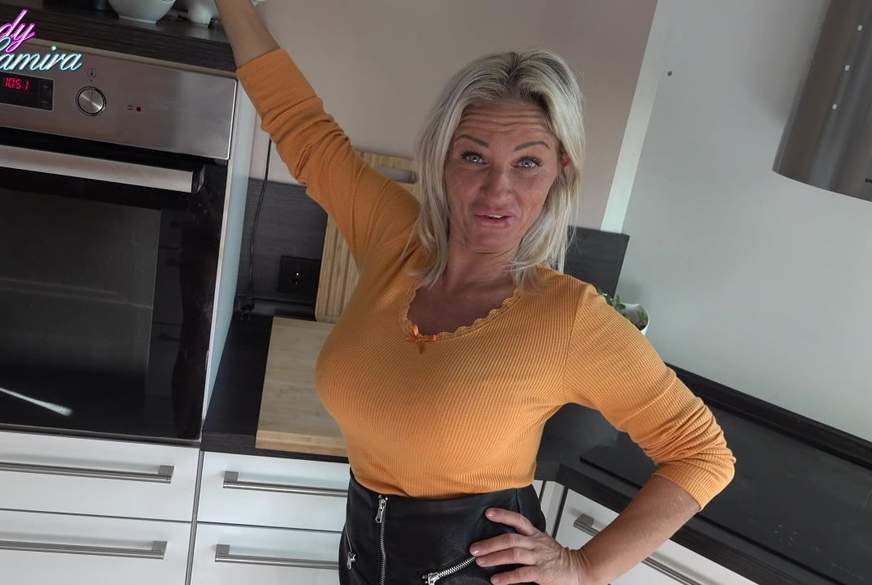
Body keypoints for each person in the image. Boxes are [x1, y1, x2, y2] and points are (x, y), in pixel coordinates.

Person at [216, 2, 736, 584]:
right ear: (442, 159)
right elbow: (301, 127)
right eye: (473, 156)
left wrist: (586, 568)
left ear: (560, 171)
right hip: (364, 557)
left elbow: (703, 454)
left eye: (528, 162)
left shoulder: (568, 318)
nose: (497, 189)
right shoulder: (395, 240)